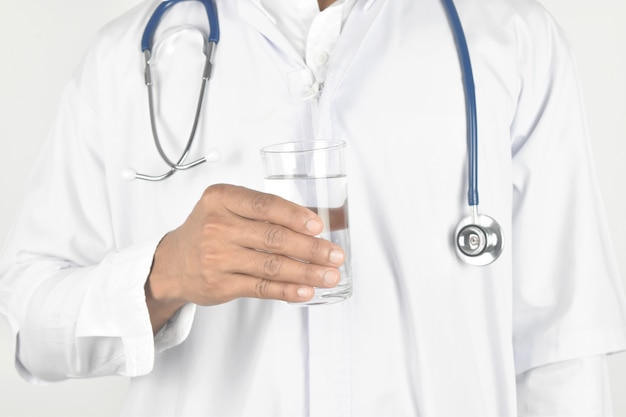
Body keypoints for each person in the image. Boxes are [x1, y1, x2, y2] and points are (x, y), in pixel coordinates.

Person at [1, 0, 625, 415]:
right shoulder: (128, 61)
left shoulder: (509, 40)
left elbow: (562, 347)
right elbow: (33, 326)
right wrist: (165, 274)